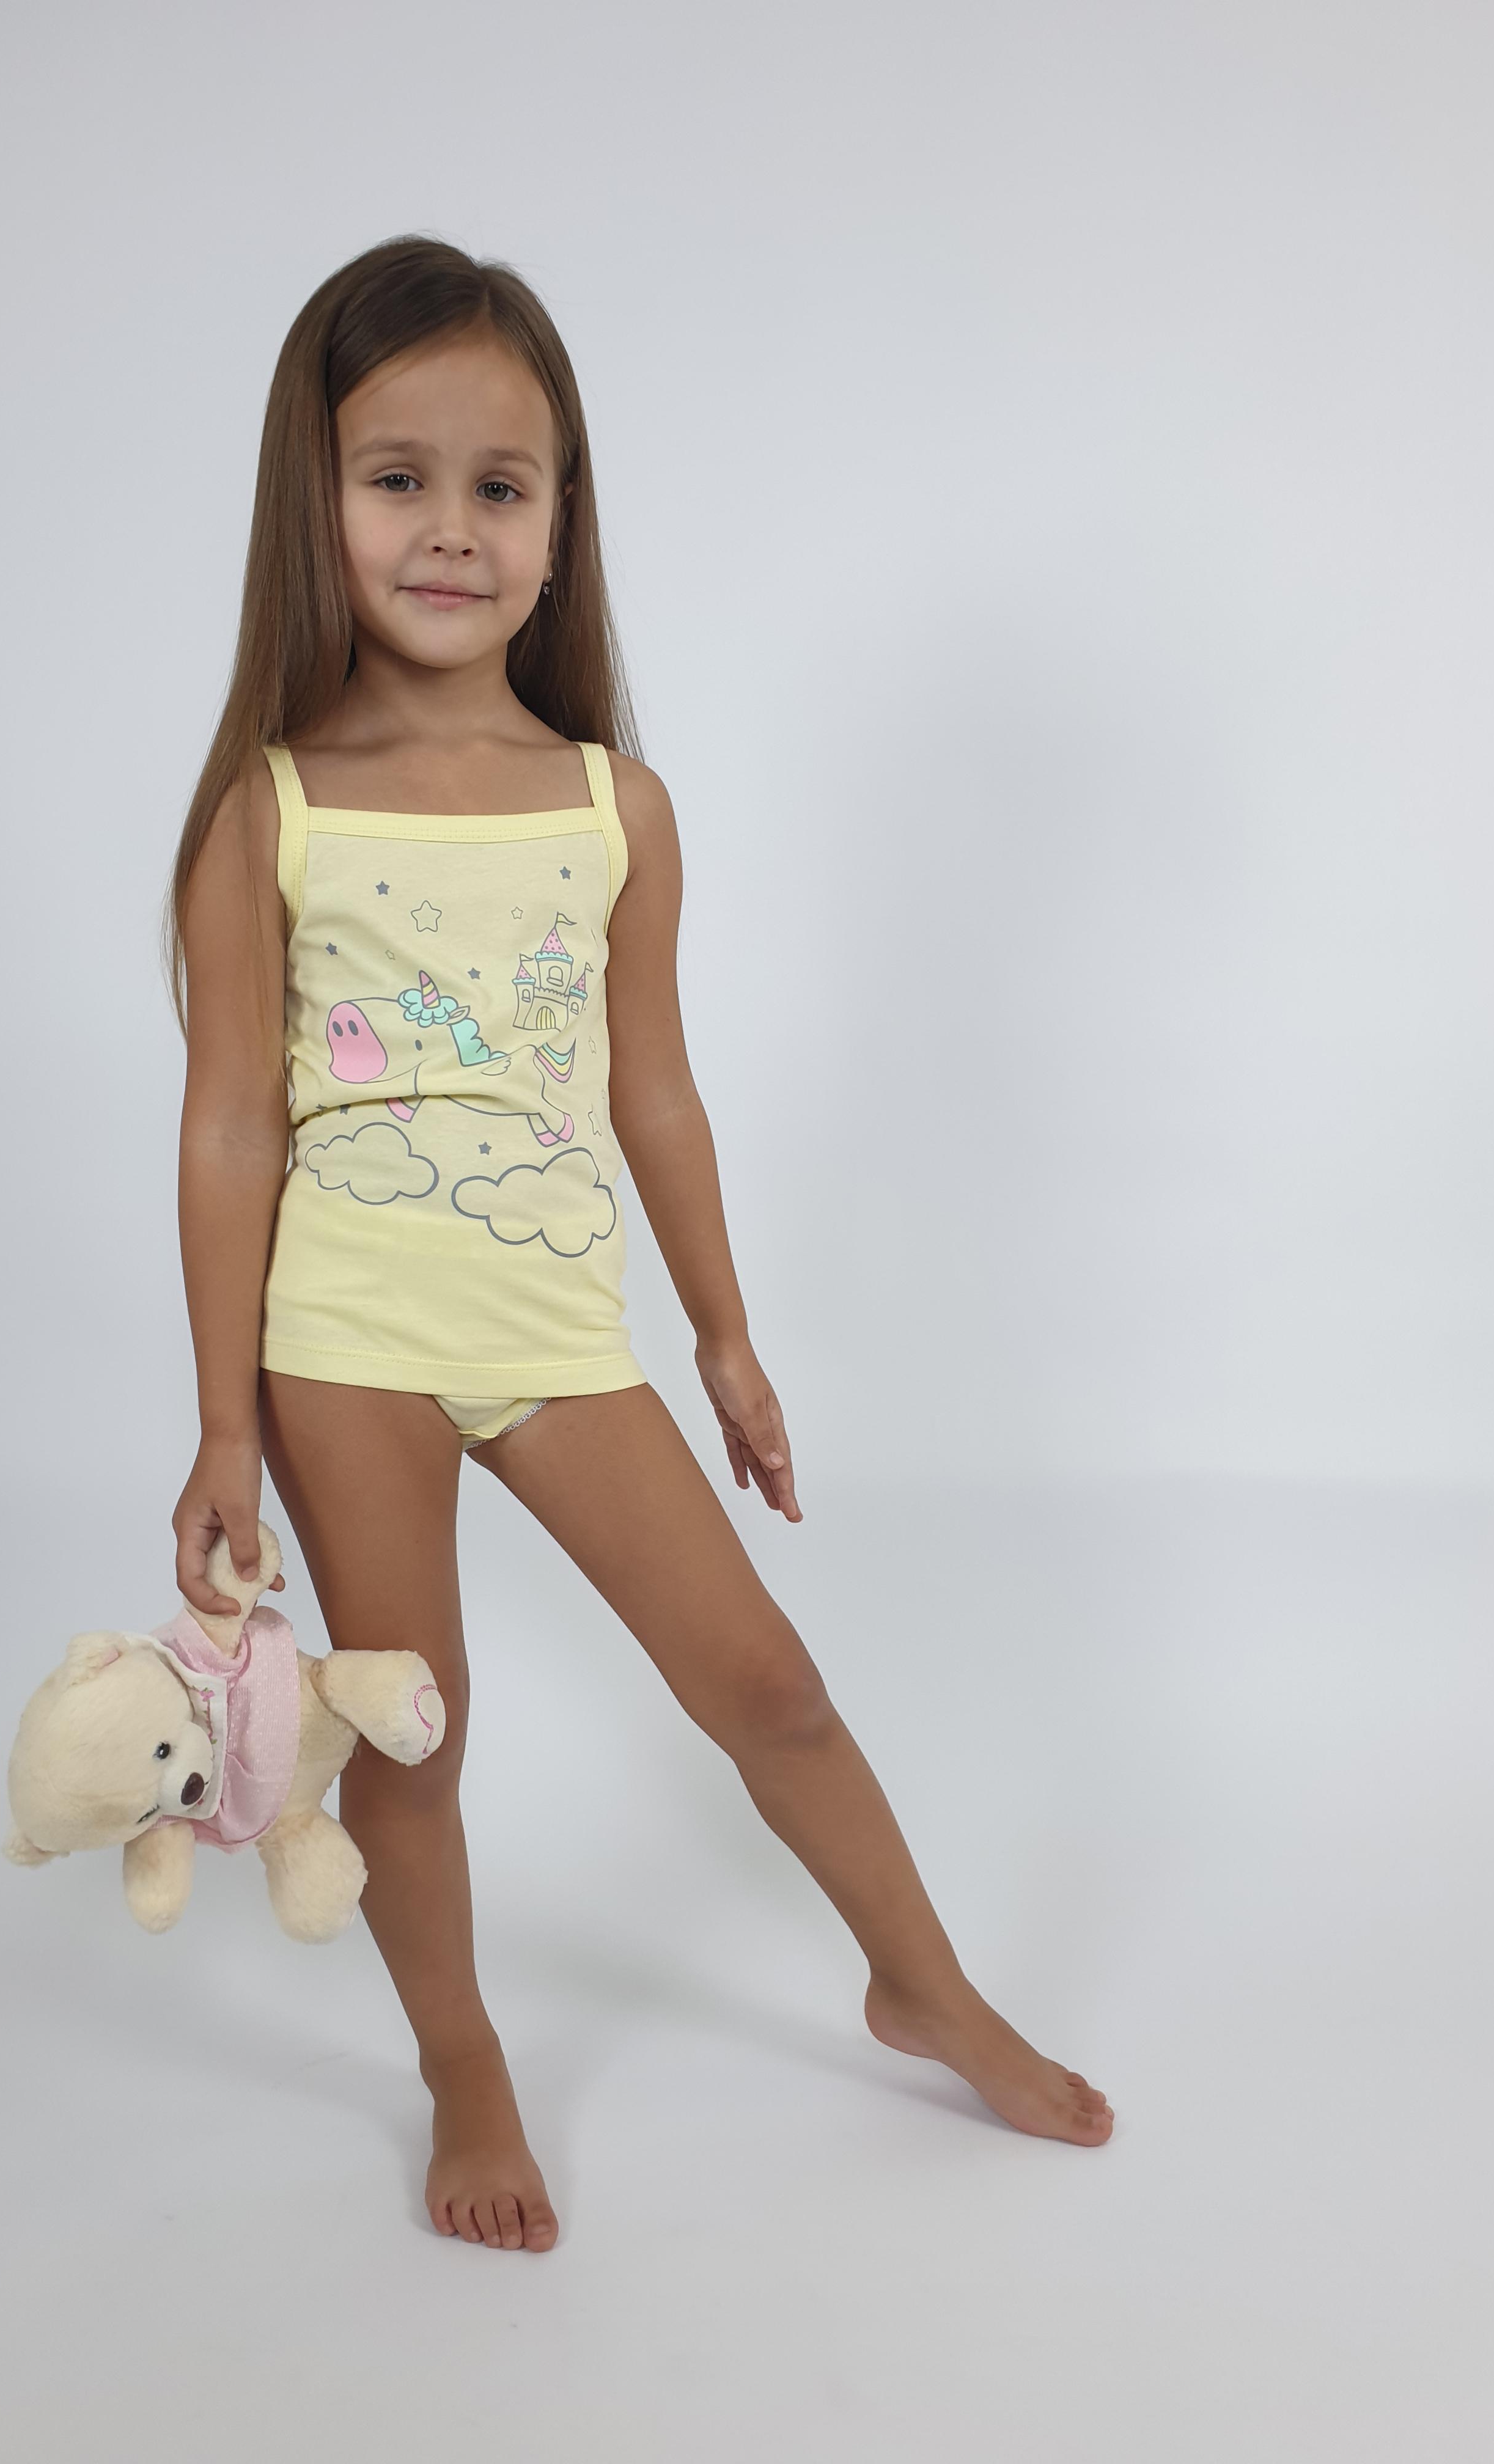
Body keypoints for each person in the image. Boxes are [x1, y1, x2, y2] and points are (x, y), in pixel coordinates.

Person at [166, 234, 1113, 2256]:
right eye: (397, 478)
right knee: (418, 1731)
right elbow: (234, 1120)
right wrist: (226, 1426)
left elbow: (654, 1093)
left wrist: (725, 1337)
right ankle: (464, 2065)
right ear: (315, 503)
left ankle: (923, 1985)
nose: (450, 529)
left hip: (556, 1328)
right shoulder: (272, 810)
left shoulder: (616, 807)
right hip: (344, 1337)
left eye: (499, 486)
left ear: (559, 519)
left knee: (771, 1685)